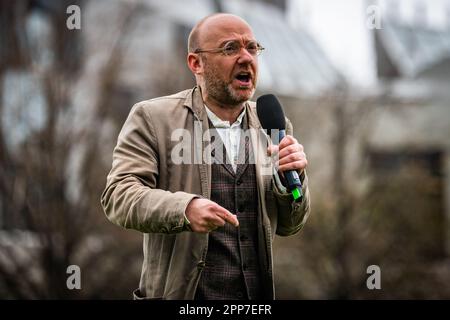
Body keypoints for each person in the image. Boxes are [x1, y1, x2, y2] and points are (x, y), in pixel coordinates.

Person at [101, 13, 310, 300]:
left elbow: (290, 224)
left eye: (252, 47)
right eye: (230, 48)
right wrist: (183, 209)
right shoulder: (153, 118)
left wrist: (290, 185)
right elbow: (118, 196)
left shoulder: (273, 124)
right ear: (196, 63)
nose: (246, 57)